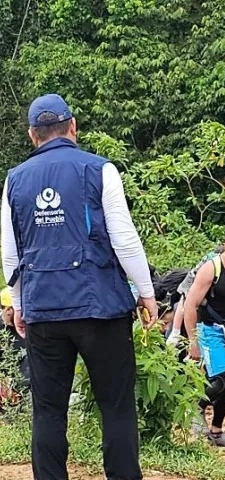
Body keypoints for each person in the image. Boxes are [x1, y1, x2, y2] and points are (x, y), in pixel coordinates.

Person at [1, 93, 158, 480]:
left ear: (31, 135)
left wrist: (19, 302)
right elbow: (123, 237)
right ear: (73, 127)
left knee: (48, 410)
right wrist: (146, 292)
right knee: (116, 407)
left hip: (43, 310)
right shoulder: (99, 169)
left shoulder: (15, 180)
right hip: (100, 310)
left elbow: (10, 252)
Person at [182, 227, 225, 448]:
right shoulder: (211, 269)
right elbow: (190, 305)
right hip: (208, 329)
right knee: (223, 380)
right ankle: (196, 407)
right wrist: (193, 341)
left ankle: (215, 430)